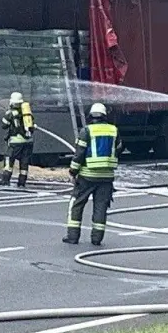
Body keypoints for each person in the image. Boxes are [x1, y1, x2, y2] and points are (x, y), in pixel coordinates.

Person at [62, 103, 120, 246]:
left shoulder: (86, 131)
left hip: (87, 176)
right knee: (101, 207)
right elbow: (118, 148)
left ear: (91, 116)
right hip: (106, 177)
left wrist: (72, 171)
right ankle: (97, 239)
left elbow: (79, 154)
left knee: (77, 204)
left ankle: (73, 236)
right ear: (104, 115)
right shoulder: (114, 130)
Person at [0, 92, 34, 187]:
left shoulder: (10, 113)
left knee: (9, 160)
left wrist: (7, 115)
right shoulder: (27, 112)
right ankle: (22, 183)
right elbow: (32, 125)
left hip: (16, 142)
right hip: (28, 142)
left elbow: (4, 125)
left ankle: (5, 180)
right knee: (24, 162)